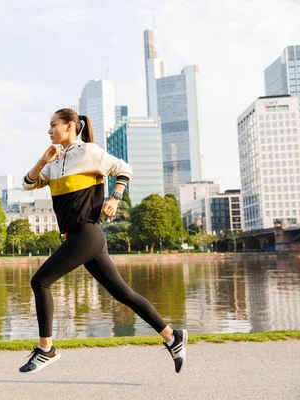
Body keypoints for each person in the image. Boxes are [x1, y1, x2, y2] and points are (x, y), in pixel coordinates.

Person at [19, 108, 187, 374]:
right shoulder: (53, 163)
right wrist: (44, 159)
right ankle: (172, 336)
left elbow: (124, 169)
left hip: (87, 233)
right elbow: (28, 184)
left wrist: (115, 198)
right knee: (123, 294)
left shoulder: (89, 152)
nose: (49, 130)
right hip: (80, 237)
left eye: (53, 125)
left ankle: (46, 349)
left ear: (71, 126)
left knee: (40, 281)